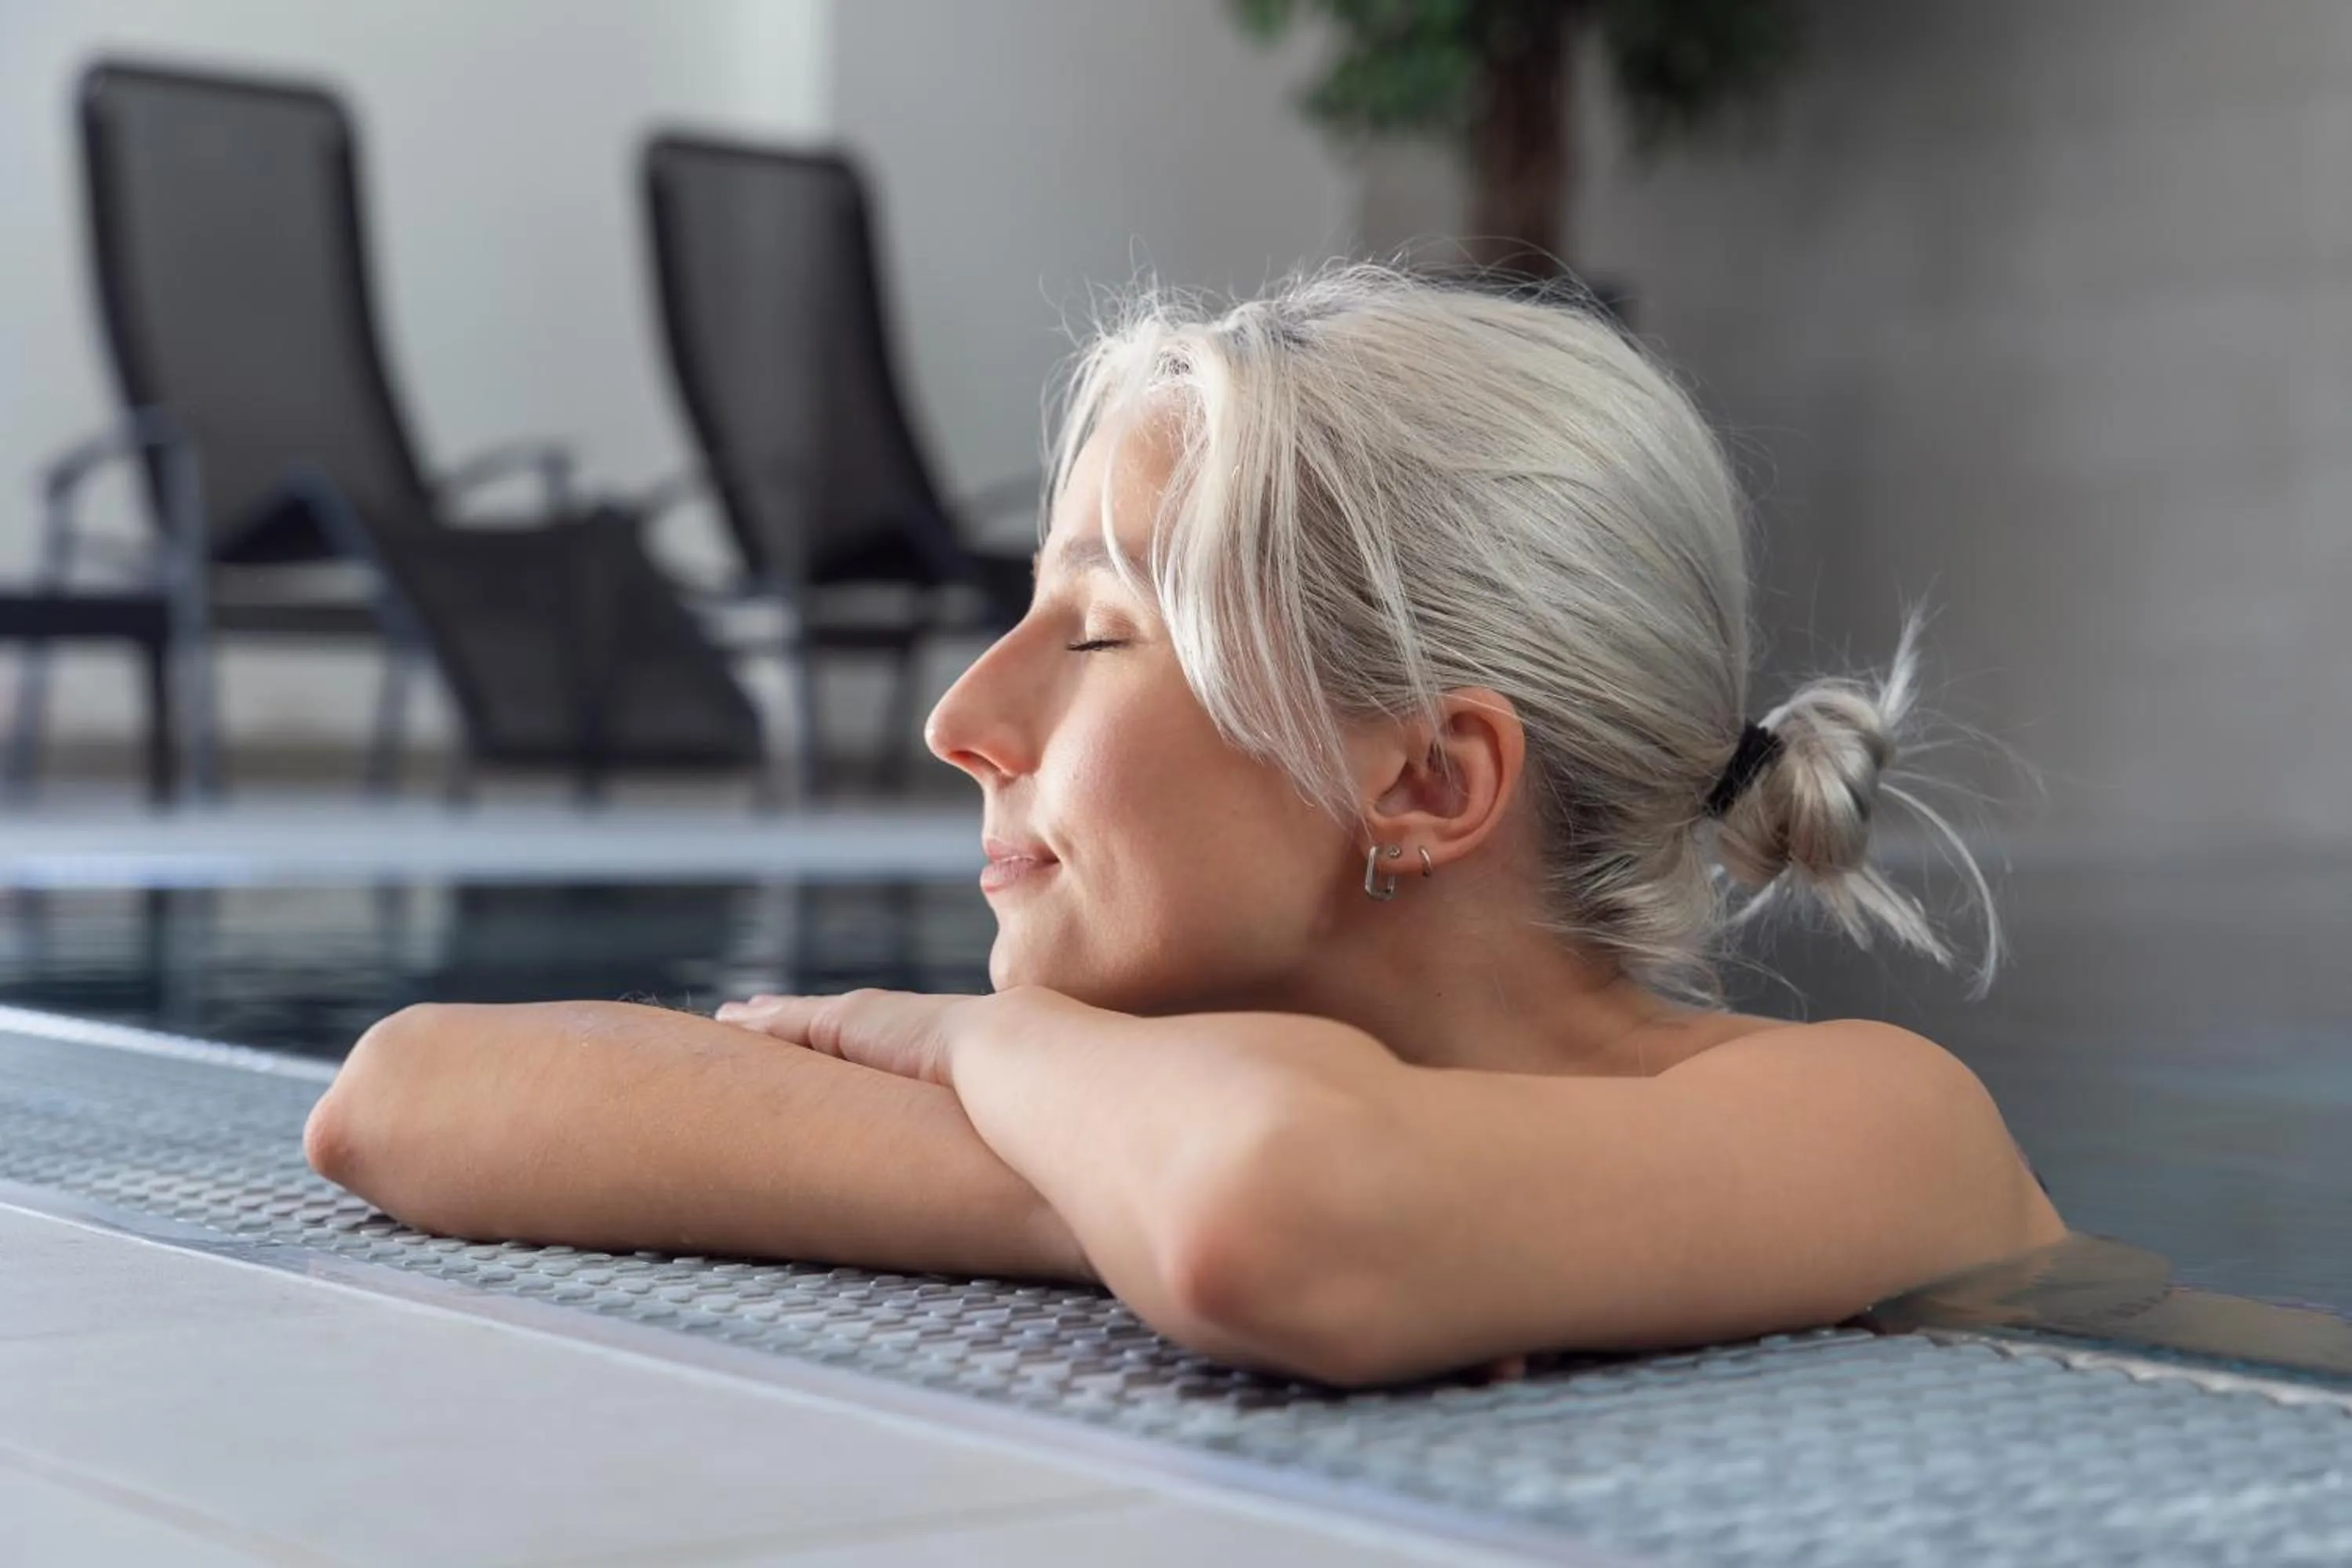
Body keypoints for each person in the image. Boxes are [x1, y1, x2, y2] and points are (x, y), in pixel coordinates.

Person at [303, 266, 2066, 1388]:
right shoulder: (1153, 1081)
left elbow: (1269, 1217)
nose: (959, 720)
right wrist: (1093, 1162)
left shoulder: (1886, 1123)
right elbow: (403, 1097)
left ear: (1427, 781)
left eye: (1094, 633)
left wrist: (976, 1044)